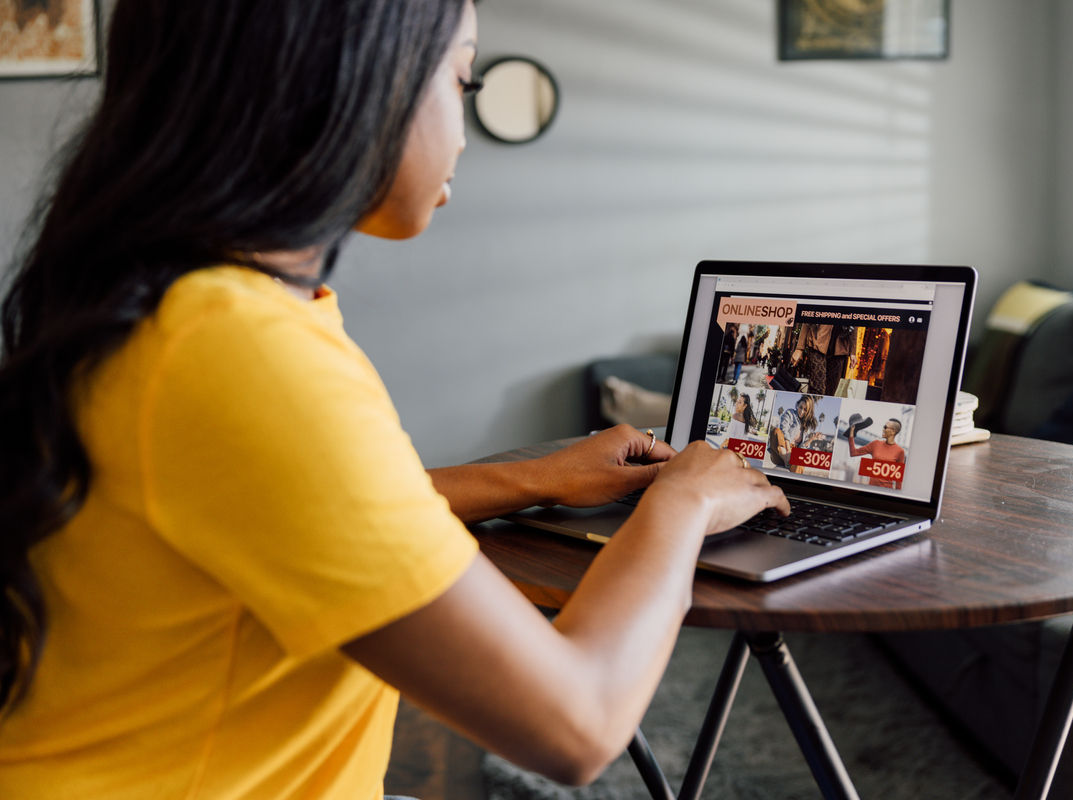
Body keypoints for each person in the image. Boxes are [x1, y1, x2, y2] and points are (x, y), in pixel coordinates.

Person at [0, 2, 790, 798]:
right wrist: (683, 501)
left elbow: (295, 512)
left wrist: (538, 479)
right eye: (461, 78)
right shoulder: (238, 353)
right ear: (351, 79)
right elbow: (578, 722)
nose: (463, 131)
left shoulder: (186, 303)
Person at [846, 417, 907, 488]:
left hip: (886, 492)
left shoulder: (900, 451)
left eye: (885, 427)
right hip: (871, 489)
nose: (883, 429)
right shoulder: (875, 444)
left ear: (893, 431)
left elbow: (898, 482)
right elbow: (853, 452)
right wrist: (851, 433)